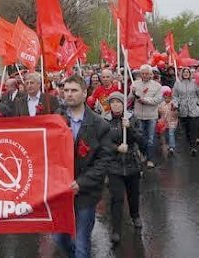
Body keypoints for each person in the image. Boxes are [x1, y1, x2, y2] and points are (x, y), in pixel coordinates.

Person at [53, 75, 111, 258]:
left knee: (82, 243)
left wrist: (81, 183)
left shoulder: (99, 124)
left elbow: (103, 161)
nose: (68, 94)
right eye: (66, 90)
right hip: (59, 193)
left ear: (85, 93)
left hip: (85, 193)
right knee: (59, 238)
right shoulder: (55, 119)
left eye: (74, 90)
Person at [103, 92, 144, 243]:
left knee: (133, 195)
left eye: (118, 102)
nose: (115, 105)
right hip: (114, 166)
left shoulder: (132, 118)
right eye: (112, 102)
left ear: (123, 104)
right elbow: (102, 143)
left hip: (132, 163)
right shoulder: (105, 120)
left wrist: (130, 128)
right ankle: (116, 230)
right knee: (117, 198)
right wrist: (116, 148)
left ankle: (135, 216)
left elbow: (141, 139)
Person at [128, 64, 163, 168]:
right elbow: (130, 98)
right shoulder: (135, 84)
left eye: (147, 73)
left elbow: (158, 100)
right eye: (142, 73)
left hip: (151, 115)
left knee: (150, 138)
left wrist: (146, 101)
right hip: (138, 115)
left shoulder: (157, 86)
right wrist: (132, 92)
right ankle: (143, 154)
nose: (144, 75)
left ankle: (150, 159)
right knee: (140, 137)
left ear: (151, 74)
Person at [173, 67, 199, 155]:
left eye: (187, 72)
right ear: (181, 73)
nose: (186, 74)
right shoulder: (177, 83)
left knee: (193, 127)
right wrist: (175, 104)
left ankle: (193, 147)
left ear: (190, 74)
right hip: (183, 109)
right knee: (187, 129)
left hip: (194, 107)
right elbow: (175, 96)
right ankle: (190, 143)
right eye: (184, 72)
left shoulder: (195, 82)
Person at [158, 88, 179, 154]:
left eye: (169, 98)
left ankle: (172, 147)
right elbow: (159, 111)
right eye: (165, 98)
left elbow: (177, 114)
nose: (167, 99)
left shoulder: (173, 104)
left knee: (171, 133)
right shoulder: (161, 104)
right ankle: (165, 144)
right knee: (165, 134)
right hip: (164, 121)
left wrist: (174, 110)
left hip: (172, 122)